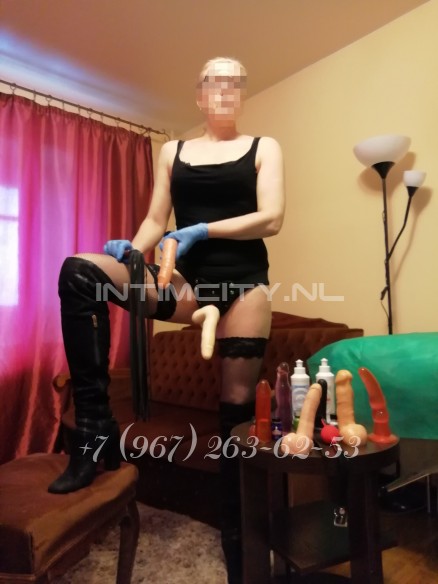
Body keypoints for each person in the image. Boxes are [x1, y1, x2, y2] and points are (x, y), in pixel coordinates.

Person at [49, 56, 285, 584]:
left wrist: (203, 230)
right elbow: (157, 218)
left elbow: (272, 218)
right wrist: (133, 252)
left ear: (242, 94)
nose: (225, 88)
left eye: (235, 82)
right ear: (199, 95)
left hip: (243, 286)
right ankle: (94, 433)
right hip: (184, 283)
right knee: (81, 271)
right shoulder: (172, 151)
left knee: (235, 411)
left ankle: (237, 536)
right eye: (214, 81)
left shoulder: (263, 147)